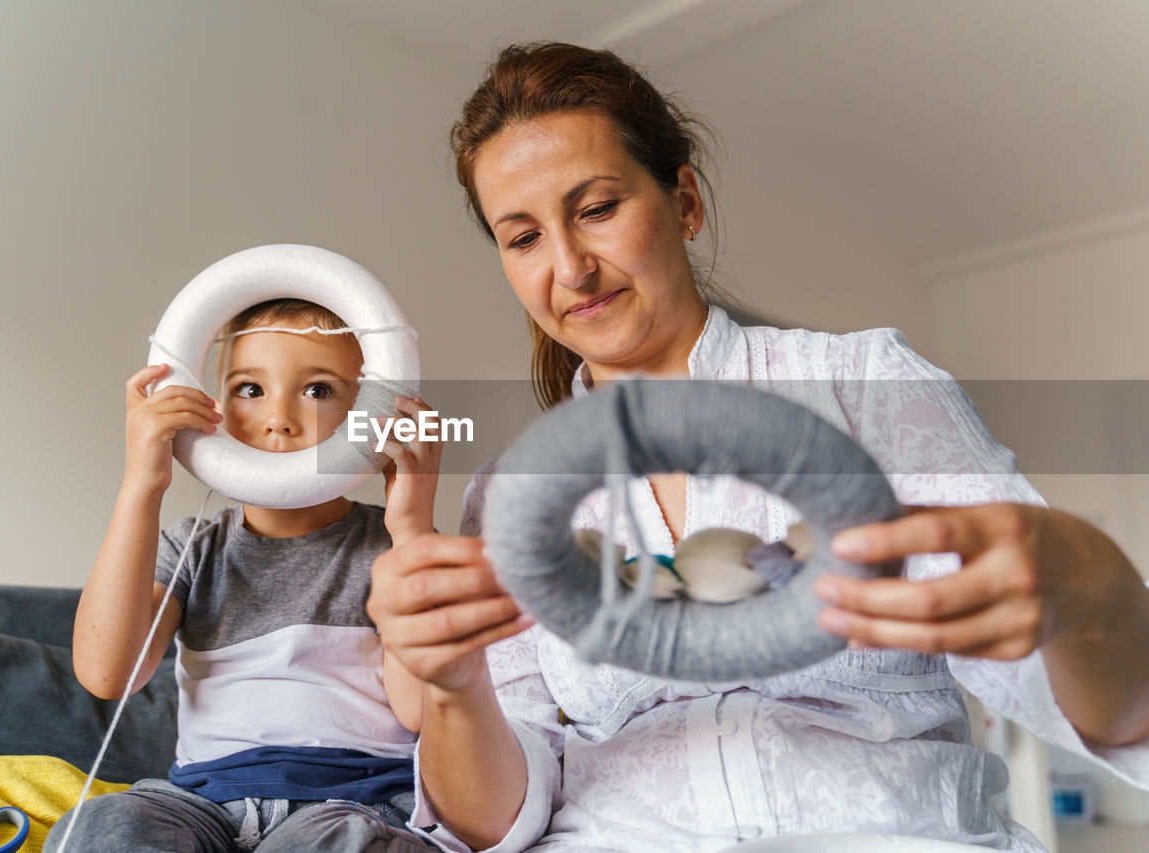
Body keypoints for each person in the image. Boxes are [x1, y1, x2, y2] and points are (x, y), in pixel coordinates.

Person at [367, 43, 1149, 851]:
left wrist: (1096, 595)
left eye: (597, 208)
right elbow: (497, 818)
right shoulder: (510, 495)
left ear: (685, 203)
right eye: (523, 237)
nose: (569, 266)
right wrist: (456, 686)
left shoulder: (861, 384)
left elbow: (1078, 689)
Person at [46, 298, 437, 852]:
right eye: (250, 389)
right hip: (200, 805)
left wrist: (413, 528)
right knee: (103, 827)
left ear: (364, 415)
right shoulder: (193, 548)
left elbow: (419, 709)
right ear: (215, 405)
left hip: (353, 805)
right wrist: (141, 487)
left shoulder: (394, 544)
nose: (278, 417)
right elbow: (107, 675)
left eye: (318, 389)